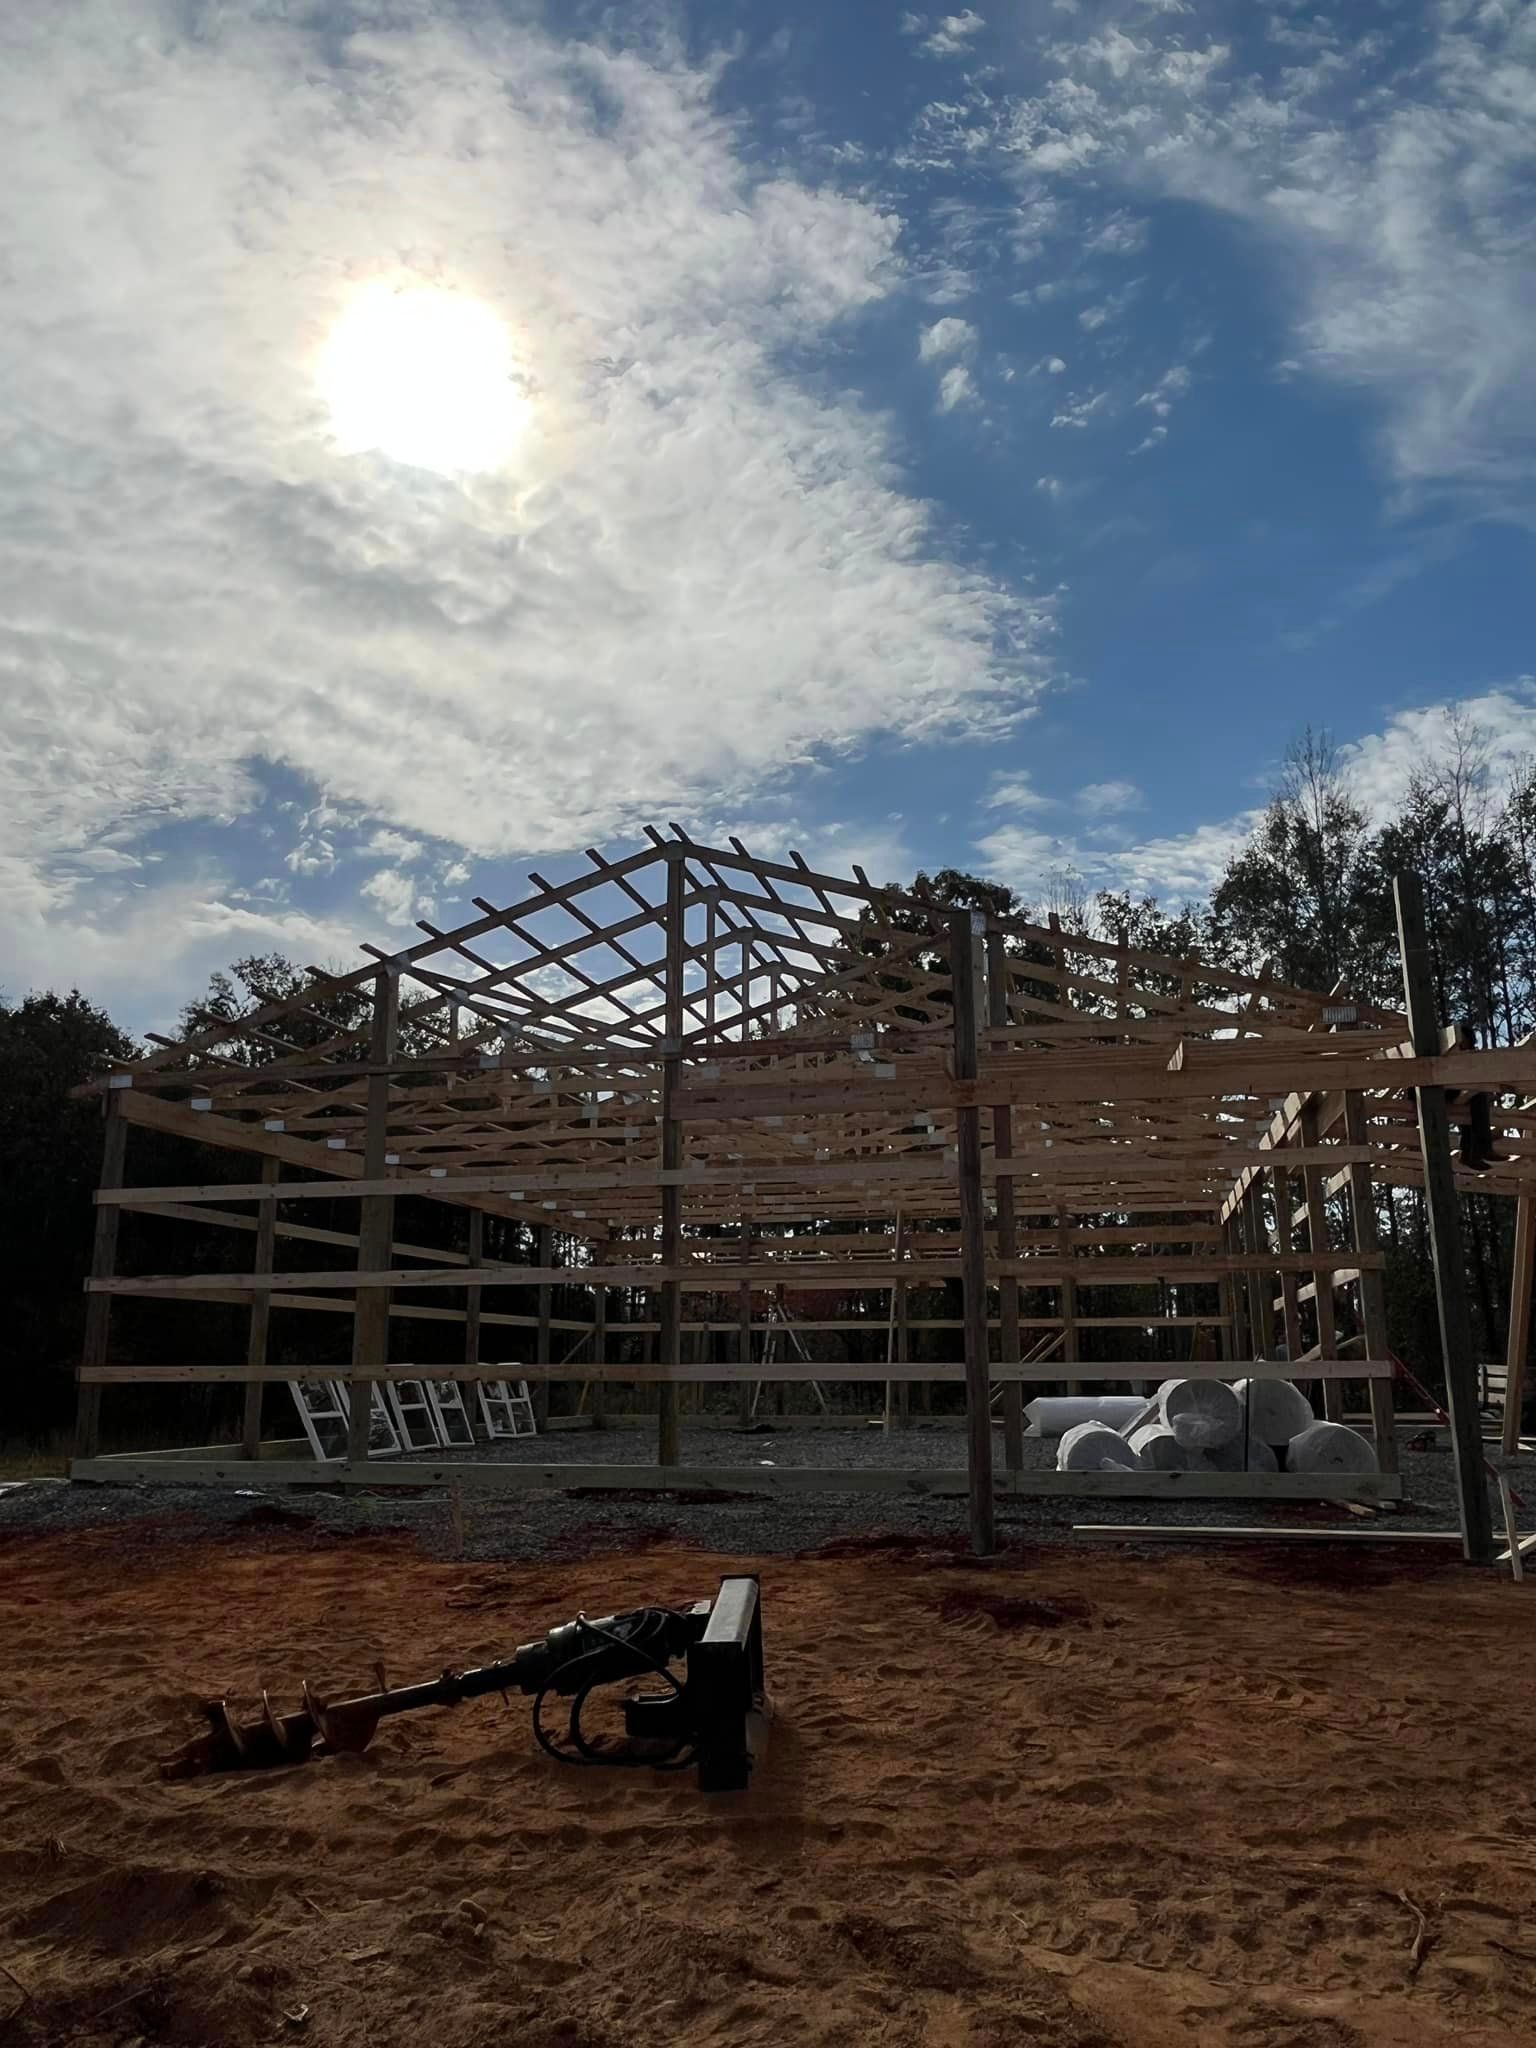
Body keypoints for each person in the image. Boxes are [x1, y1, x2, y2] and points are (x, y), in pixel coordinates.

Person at [1444, 1020, 1503, 1172]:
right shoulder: (1446, 1052)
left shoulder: (1466, 1057)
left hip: (1450, 1090)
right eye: (1460, 1041)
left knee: (1473, 1101)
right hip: (1436, 1090)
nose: (1462, 1045)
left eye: (1465, 1042)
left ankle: (1469, 1153)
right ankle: (1482, 1148)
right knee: (1477, 1094)